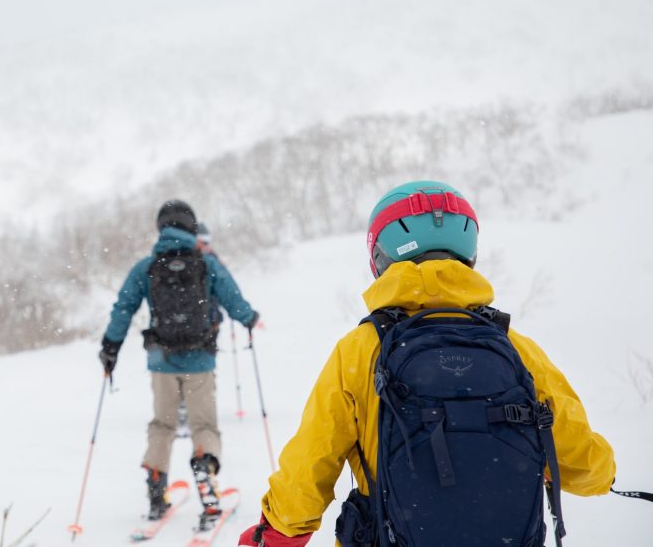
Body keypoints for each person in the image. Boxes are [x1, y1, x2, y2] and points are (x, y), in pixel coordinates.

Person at [238, 180, 615, 547]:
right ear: (469, 254)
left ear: (381, 259)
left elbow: (312, 458)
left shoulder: (362, 348)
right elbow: (581, 463)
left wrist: (278, 532)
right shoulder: (514, 346)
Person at [100, 200, 259, 529]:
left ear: (161, 228)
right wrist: (249, 317)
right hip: (200, 358)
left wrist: (110, 347)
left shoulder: (146, 266)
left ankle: (157, 488)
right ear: (191, 227)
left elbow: (123, 308)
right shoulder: (206, 264)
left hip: (161, 361)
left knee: (163, 424)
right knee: (204, 424)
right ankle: (205, 472)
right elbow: (232, 298)